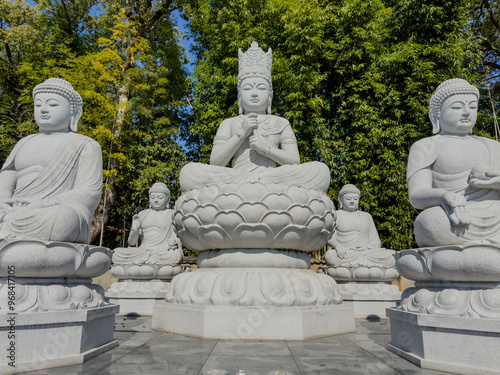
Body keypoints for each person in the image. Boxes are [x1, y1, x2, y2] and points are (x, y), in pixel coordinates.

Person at [179, 41, 330, 193]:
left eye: (261, 88)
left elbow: (294, 162)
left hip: (271, 176)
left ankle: (261, 183)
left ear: (270, 95)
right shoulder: (229, 123)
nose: (254, 93)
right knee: (189, 172)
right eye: (248, 88)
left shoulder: (281, 122)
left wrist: (265, 150)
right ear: (239, 95)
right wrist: (241, 134)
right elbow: (216, 163)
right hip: (236, 177)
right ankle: (263, 187)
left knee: (320, 170)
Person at [0, 78, 102, 243]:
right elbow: (6, 181)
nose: (44, 110)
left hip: (49, 211)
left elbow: (89, 193)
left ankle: (7, 232)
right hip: (12, 209)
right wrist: (3, 204)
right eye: (38, 105)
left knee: (64, 218)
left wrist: (40, 204)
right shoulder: (24, 143)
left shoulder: (86, 145)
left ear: (74, 112)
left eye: (53, 105)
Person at [407, 78, 500, 247]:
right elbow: (416, 195)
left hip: (495, 212)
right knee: (428, 222)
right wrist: (444, 196)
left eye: (472, 107)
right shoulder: (426, 145)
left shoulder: (493, 146)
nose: (466, 112)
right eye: (457, 107)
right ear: (437, 114)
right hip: (453, 218)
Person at [112, 182, 183, 266]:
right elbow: (131, 243)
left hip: (162, 252)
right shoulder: (142, 214)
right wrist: (135, 229)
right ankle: (149, 261)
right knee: (116, 253)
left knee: (175, 255)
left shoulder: (172, 214)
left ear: (167, 199)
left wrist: (174, 245)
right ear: (149, 199)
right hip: (142, 251)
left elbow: (177, 236)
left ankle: (144, 262)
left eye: (160, 197)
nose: (156, 200)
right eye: (153, 197)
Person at [324, 184, 395, 267]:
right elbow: (329, 237)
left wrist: (366, 247)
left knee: (392, 255)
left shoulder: (366, 216)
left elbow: (376, 241)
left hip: (366, 252)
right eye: (348, 198)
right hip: (346, 253)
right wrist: (338, 246)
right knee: (329, 255)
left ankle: (360, 262)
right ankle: (365, 265)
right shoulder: (336, 215)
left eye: (355, 199)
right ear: (340, 200)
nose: (352, 201)